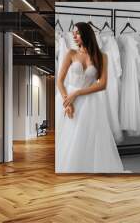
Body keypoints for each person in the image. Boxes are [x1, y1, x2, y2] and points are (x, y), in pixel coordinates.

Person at [55, 22, 124, 173]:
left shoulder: (102, 56)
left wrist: (77, 93)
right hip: (69, 100)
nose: (74, 36)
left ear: (86, 34)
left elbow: (103, 84)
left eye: (77, 33)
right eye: (73, 33)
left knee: (89, 137)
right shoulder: (71, 54)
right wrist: (67, 102)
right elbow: (59, 81)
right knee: (71, 137)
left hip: (89, 101)